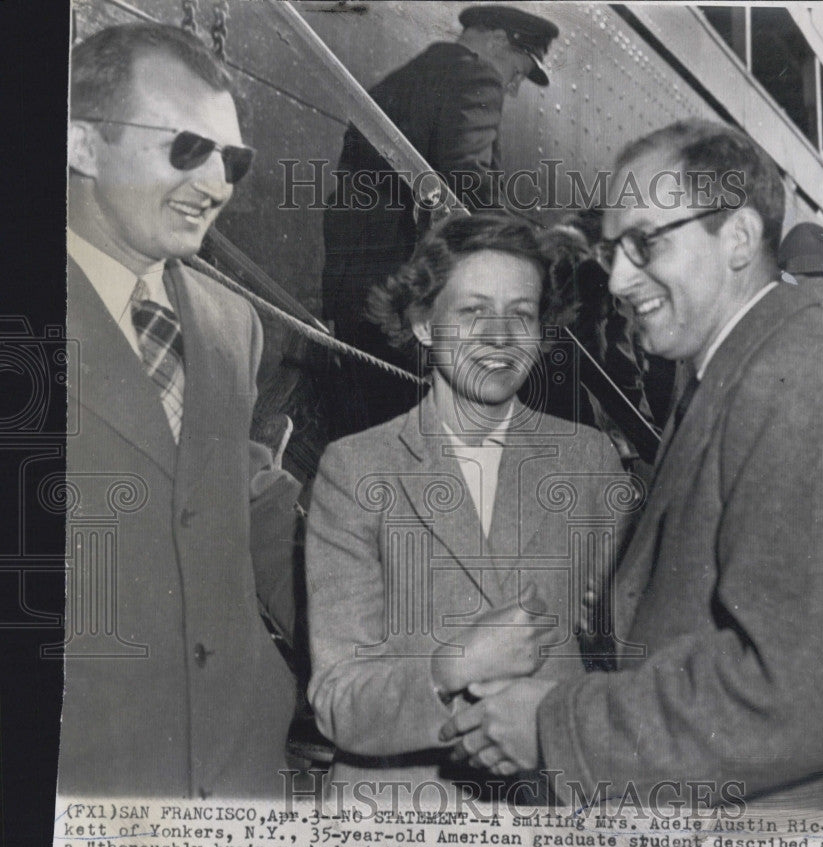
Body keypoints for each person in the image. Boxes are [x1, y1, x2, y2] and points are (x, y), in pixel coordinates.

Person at [442, 120, 823, 812]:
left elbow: (791, 695)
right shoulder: (739, 365)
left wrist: (554, 724)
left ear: (739, 238)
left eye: (644, 243)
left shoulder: (799, 374)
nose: (619, 277)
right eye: (610, 249)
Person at [306, 213, 632, 804]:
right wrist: (450, 666)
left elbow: (620, 664)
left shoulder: (590, 463)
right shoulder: (356, 470)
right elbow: (337, 702)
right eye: (473, 311)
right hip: (398, 840)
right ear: (424, 324)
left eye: (521, 314)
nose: (500, 337)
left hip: (546, 832)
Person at [62, 23, 303, 798]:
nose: (218, 184)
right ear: (82, 147)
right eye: (185, 148)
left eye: (232, 159)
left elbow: (240, 501)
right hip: (86, 785)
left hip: (237, 775)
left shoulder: (234, 326)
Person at [321, 4, 558, 431]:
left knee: (369, 428)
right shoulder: (477, 77)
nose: (514, 87)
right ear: (499, 40)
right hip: (400, 297)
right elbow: (468, 183)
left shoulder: (413, 73)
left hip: (353, 287)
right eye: (519, 72)